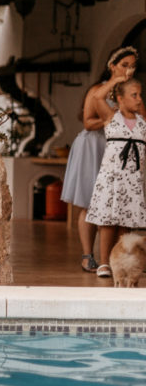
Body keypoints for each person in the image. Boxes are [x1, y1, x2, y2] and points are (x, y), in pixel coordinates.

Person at [60, 46, 139, 272]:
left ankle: (116, 258)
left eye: (132, 66)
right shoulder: (98, 90)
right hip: (92, 146)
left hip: (115, 150)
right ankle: (88, 256)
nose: (129, 70)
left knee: (113, 202)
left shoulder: (129, 93)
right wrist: (108, 119)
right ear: (112, 66)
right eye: (124, 65)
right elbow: (87, 122)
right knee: (90, 201)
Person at [85, 76, 146, 278]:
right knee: (108, 222)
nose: (138, 99)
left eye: (140, 95)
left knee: (125, 223)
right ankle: (104, 263)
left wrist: (134, 90)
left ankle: (123, 262)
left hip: (132, 180)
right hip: (112, 179)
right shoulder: (111, 116)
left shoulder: (142, 121)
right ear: (120, 98)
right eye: (134, 95)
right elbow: (97, 96)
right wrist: (118, 79)